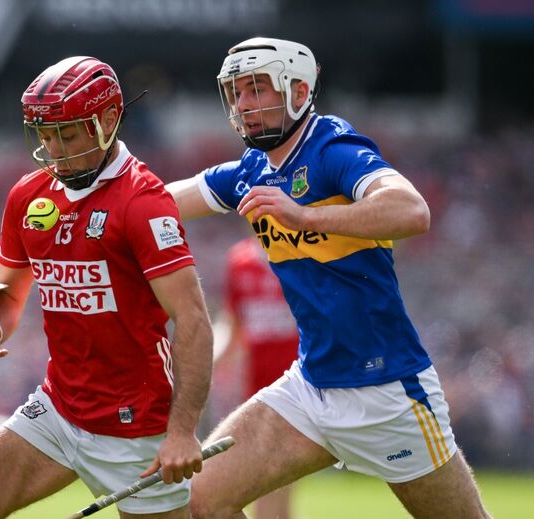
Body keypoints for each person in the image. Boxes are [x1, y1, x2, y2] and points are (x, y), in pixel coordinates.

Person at [167, 37, 493, 518]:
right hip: (310, 388)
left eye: (257, 89)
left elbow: (412, 210)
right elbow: (157, 203)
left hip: (389, 392)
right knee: (203, 500)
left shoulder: (334, 147)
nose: (243, 105)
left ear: (298, 92)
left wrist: (308, 218)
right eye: (236, 92)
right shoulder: (251, 170)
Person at [0, 56, 213, 519]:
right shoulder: (28, 195)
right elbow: (8, 289)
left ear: (106, 121)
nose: (54, 149)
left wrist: (182, 431)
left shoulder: (143, 202)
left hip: (136, 428)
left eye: (67, 135)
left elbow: (194, 321)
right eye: (45, 136)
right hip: (58, 410)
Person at [214, 237, 299, 519]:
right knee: (271, 485)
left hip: (299, 384)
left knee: (272, 480)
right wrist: (206, 362)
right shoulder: (239, 259)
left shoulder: (303, 252)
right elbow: (233, 323)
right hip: (256, 389)